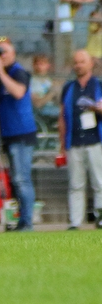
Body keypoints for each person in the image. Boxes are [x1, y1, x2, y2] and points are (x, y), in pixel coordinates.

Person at [0, 38, 36, 232]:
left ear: (13, 54)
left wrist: (0, 71)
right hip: (8, 133)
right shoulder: (1, 75)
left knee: (22, 179)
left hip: (21, 134)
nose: (2, 56)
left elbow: (18, 92)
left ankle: (27, 222)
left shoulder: (18, 72)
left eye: (5, 52)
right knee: (15, 181)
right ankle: (21, 221)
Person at [58, 49, 102, 230]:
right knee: (76, 184)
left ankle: (100, 219)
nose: (78, 66)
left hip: (95, 140)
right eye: (76, 62)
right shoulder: (69, 88)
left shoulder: (98, 85)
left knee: (99, 182)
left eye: (82, 62)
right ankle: (75, 222)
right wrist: (62, 145)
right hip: (75, 141)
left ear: (90, 63)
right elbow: (62, 117)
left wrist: (95, 108)